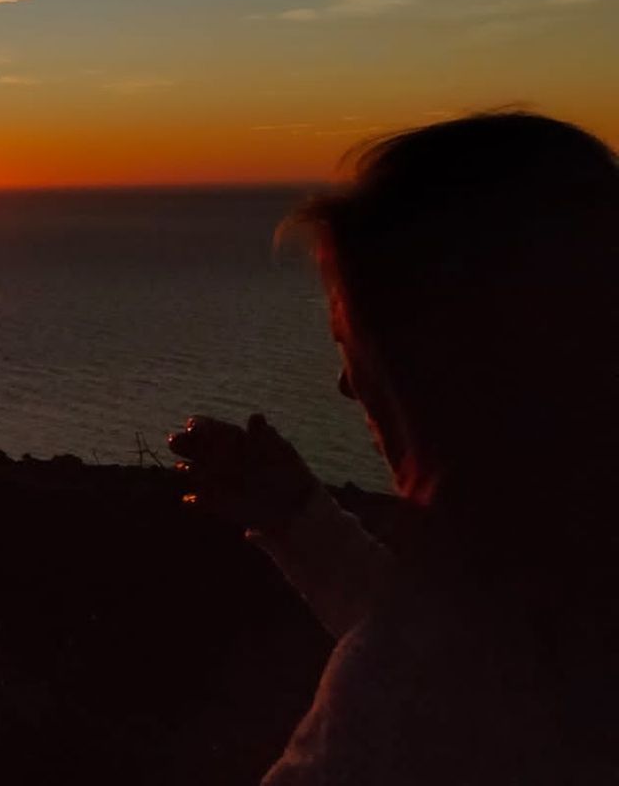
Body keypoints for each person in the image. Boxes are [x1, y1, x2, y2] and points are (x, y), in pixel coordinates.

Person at [170, 111, 618, 784]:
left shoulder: (403, 707)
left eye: (353, 345)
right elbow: (487, 646)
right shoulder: (569, 592)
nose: (347, 384)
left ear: (429, 364)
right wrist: (300, 521)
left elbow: (449, 673)